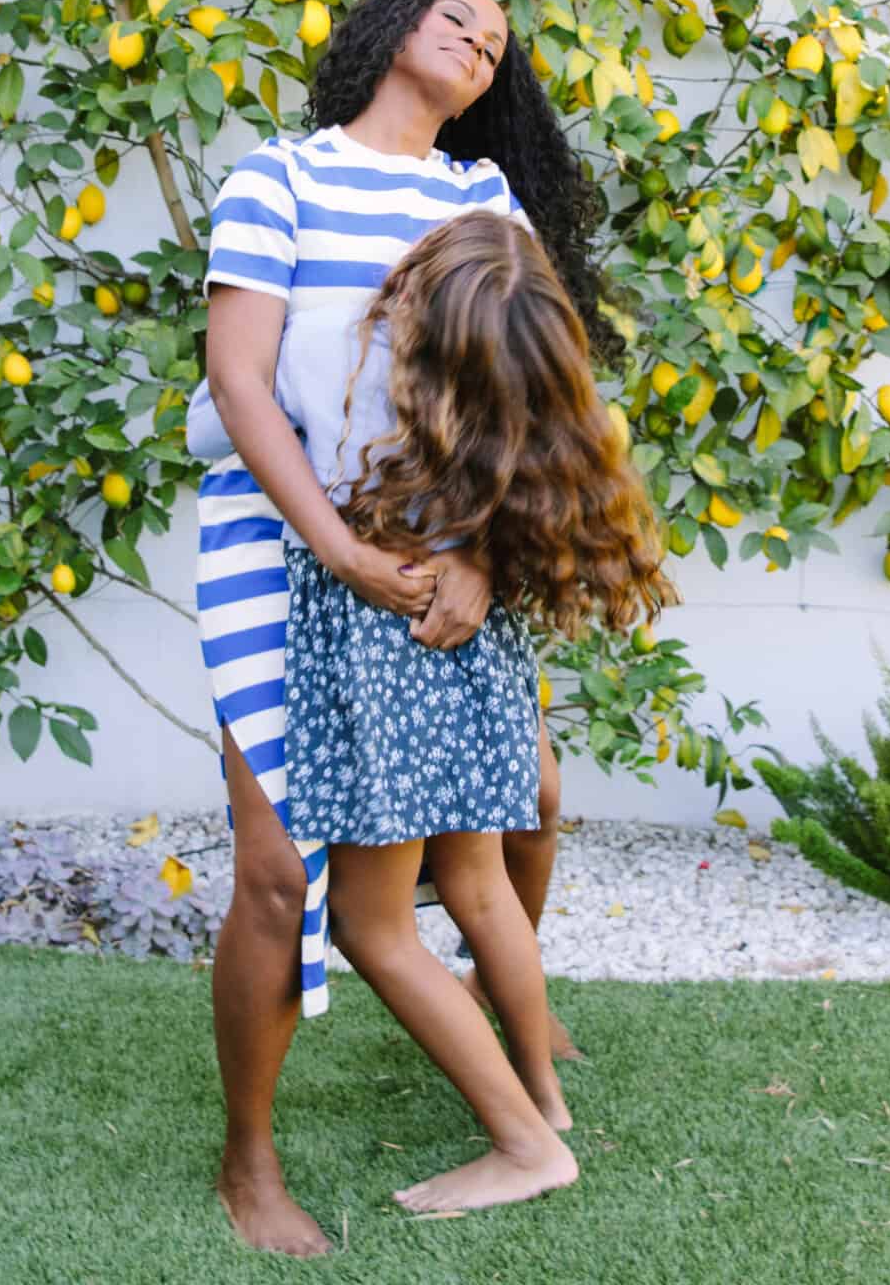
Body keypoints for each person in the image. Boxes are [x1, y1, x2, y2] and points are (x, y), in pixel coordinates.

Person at [192, 0, 619, 1255]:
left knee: (509, 810)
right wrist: (337, 550)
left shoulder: (480, 198)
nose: (482, 38)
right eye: (459, 16)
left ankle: (516, 1068)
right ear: (390, 32)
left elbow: (526, 389)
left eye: (497, 42)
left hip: (437, 562)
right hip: (273, 554)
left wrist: (481, 557)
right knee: (279, 876)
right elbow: (240, 382)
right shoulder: (278, 179)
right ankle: (250, 1162)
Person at [287, 208, 674, 1213]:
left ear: (414, 288)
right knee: (482, 887)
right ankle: (543, 1095)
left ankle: (524, 1146)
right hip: (479, 659)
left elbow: (223, 419)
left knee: (372, 926)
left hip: (387, 657)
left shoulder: (342, 363)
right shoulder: (509, 416)